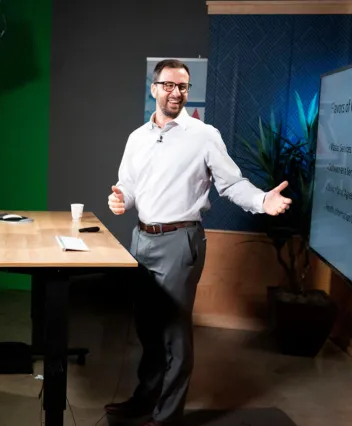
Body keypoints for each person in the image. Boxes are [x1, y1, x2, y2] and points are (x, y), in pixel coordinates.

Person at [104, 59, 292, 426]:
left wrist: (261, 200)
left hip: (180, 242)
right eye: (169, 85)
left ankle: (167, 417)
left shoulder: (204, 135)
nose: (176, 92)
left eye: (183, 87)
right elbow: (127, 184)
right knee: (147, 328)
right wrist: (120, 199)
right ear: (154, 88)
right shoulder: (136, 138)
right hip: (141, 239)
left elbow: (231, 184)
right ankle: (146, 399)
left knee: (174, 331)